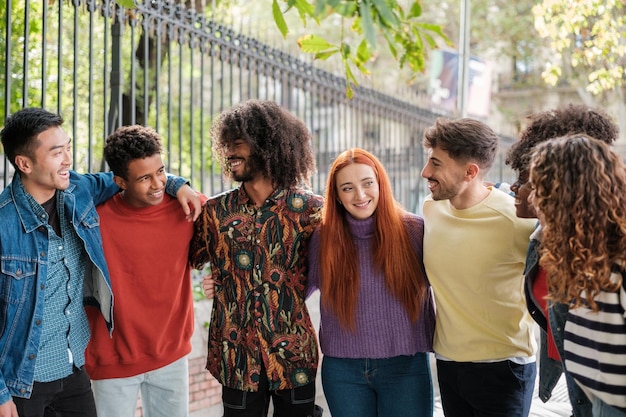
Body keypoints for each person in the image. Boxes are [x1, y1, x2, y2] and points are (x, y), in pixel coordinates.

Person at [0, 107, 200, 417]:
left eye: (68, 148)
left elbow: (133, 177)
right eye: (57, 153)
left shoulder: (77, 190)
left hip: (74, 368)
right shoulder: (3, 225)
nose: (68, 159)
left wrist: (176, 183)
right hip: (24, 380)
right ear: (24, 163)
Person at [189, 99, 323, 417]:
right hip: (235, 357)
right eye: (227, 145)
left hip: (292, 355)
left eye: (240, 144)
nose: (230, 154)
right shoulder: (216, 212)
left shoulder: (310, 210)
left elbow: (334, 268)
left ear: (268, 146)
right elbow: (183, 259)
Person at [84, 125, 207, 417]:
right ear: (119, 182)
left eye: (161, 172)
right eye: (144, 178)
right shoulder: (93, 220)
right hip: (111, 359)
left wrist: (179, 183)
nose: (157, 184)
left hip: (171, 355)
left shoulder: (187, 208)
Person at [505, 104, 619, 417]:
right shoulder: (550, 241)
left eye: (532, 181)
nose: (523, 192)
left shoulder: (609, 251)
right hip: (584, 384)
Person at [420, 117, 538, 417]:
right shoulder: (430, 209)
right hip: (448, 364)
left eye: (436, 164)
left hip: (504, 368)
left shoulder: (515, 220)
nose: (426, 173)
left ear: (470, 171)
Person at [305, 148, 435, 417]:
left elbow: (454, 281)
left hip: (406, 367)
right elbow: (290, 291)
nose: (360, 195)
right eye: (348, 188)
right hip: (343, 372)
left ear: (380, 184)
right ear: (337, 197)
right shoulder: (323, 238)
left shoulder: (415, 231)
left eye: (367, 184)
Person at [528, 134, 626, 416]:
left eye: (539, 189)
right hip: (596, 399)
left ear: (567, 195)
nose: (533, 199)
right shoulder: (586, 252)